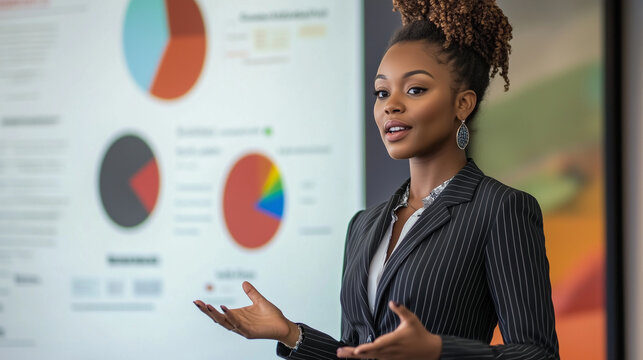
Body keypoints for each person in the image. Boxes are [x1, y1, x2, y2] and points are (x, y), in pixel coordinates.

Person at [194, 0, 560, 359]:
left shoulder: (501, 209)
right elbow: (357, 352)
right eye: (382, 92)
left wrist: (437, 350)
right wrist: (291, 334)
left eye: (415, 89)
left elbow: (538, 353)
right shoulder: (363, 225)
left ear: (462, 104)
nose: (390, 105)